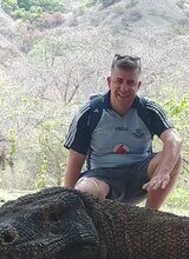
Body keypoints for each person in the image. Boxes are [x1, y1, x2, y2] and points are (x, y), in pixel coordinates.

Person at [63, 54, 182, 210]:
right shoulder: (90, 112)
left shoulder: (149, 110)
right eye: (119, 81)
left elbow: (174, 140)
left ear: (138, 85)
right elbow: (75, 162)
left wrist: (164, 172)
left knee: (175, 157)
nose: (124, 88)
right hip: (101, 177)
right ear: (109, 82)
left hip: (141, 176)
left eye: (130, 83)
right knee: (85, 190)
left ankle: (150, 217)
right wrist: (68, 203)